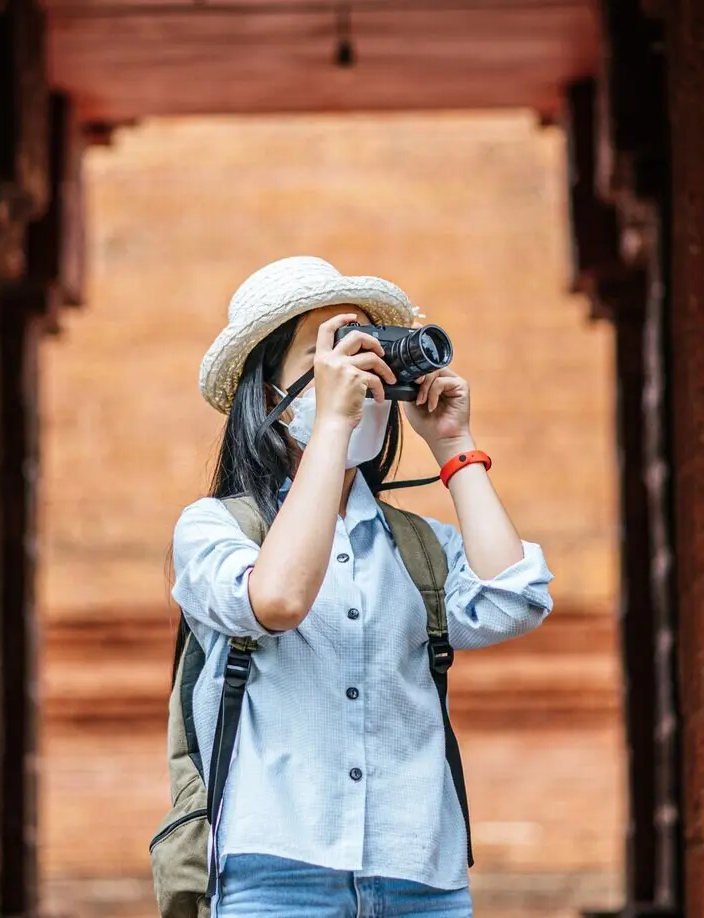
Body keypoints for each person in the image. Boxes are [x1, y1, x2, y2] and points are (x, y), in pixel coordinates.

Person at [172, 256, 553, 917]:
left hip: (421, 881)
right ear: (268, 399)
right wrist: (331, 427)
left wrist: (454, 445)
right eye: (329, 361)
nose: (358, 380)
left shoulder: (417, 548)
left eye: (368, 360)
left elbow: (516, 599)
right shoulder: (216, 530)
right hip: (277, 878)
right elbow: (279, 599)